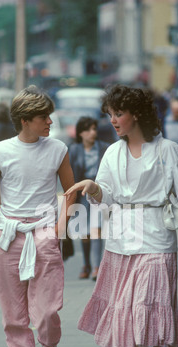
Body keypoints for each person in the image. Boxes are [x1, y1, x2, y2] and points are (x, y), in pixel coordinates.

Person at [65, 84, 178, 347]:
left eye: (119, 113)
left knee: (147, 305)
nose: (112, 120)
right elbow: (108, 197)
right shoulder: (112, 152)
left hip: (156, 236)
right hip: (121, 240)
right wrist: (93, 187)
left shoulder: (169, 150)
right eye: (109, 115)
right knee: (134, 311)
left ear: (136, 114)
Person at [0, 85, 76, 347]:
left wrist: (59, 229)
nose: (50, 122)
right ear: (26, 119)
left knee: (46, 311)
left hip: (44, 233)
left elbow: (70, 191)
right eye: (44, 117)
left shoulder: (58, 148)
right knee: (13, 314)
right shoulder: (0, 151)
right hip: (8, 235)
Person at [69, 116, 109, 280]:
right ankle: (86, 264)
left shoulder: (104, 148)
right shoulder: (74, 150)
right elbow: (70, 175)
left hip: (98, 193)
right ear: (81, 133)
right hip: (82, 196)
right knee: (84, 233)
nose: (92, 133)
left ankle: (96, 267)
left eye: (94, 129)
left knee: (96, 230)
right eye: (88, 129)